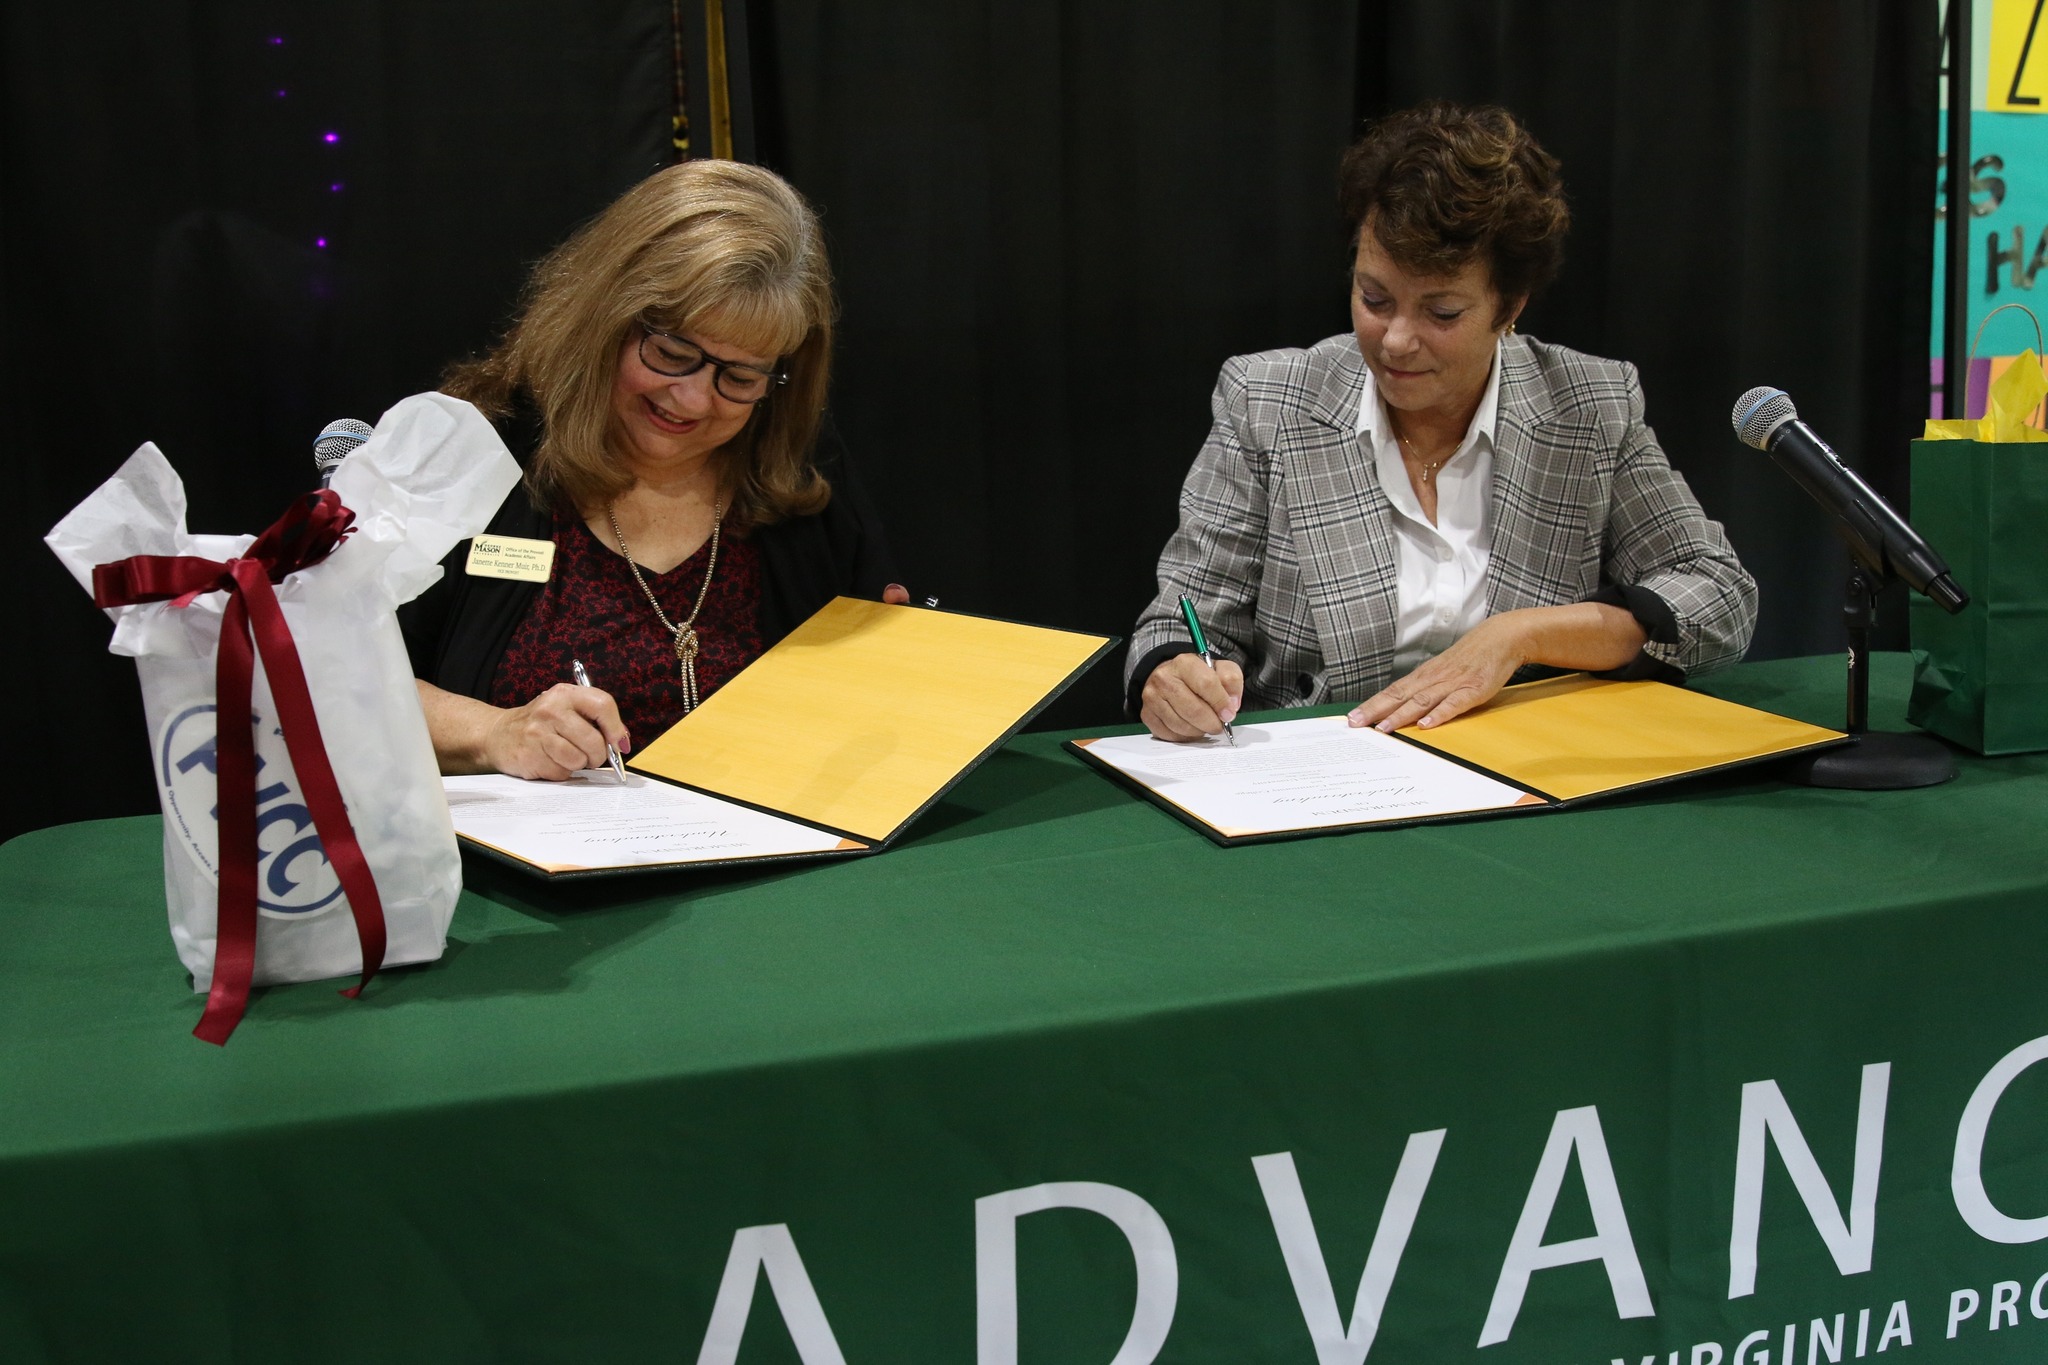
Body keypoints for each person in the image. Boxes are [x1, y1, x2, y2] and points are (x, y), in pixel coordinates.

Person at [1127, 101, 1756, 742]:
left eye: (1442, 313)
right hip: (1312, 784)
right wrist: (1173, 675)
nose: (1397, 340)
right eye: (1374, 298)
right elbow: (1177, 622)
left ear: (1509, 307)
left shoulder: (1588, 406)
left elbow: (1719, 597)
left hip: (1522, 778)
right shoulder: (1269, 401)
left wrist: (1522, 635)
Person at [402, 159, 902, 779]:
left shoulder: (798, 467)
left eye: (740, 376)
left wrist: (890, 659)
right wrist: (493, 732)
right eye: (671, 352)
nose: (691, 399)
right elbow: (332, 671)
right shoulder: (475, 443)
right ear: (604, 318)